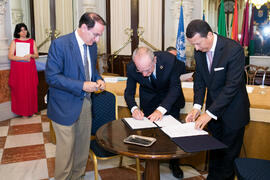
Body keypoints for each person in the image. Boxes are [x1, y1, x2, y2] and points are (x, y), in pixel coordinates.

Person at [185, 19, 250, 180]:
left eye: (198, 43)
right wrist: (197, 107)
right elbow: (199, 80)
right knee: (214, 155)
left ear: (209, 35)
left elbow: (232, 87)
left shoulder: (233, 49)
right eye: (193, 45)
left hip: (233, 113)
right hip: (213, 113)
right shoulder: (199, 51)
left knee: (228, 160)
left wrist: (208, 113)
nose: (196, 48)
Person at [45, 12, 106, 180]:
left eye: (100, 35)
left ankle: (78, 177)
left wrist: (98, 79)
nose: (98, 40)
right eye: (96, 34)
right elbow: (52, 77)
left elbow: (91, 70)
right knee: (65, 155)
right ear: (84, 27)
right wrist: (82, 85)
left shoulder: (92, 46)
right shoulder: (60, 44)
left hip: (85, 104)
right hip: (63, 106)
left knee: (81, 150)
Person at [124, 47, 185, 179]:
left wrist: (161, 109)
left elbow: (175, 89)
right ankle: (150, 166)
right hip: (149, 100)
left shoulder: (169, 61)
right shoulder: (132, 67)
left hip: (170, 100)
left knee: (172, 136)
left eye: (147, 70)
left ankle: (174, 164)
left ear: (155, 60)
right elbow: (128, 92)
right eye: (141, 71)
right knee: (149, 135)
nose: (144, 75)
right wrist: (134, 108)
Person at [8, 23, 39, 118]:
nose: (23, 32)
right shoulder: (14, 42)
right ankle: (23, 112)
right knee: (21, 89)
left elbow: (36, 55)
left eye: (25, 29)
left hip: (29, 69)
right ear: (17, 32)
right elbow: (10, 56)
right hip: (19, 70)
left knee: (31, 88)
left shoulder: (31, 41)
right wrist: (22, 58)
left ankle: (32, 111)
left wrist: (31, 55)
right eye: (21, 30)